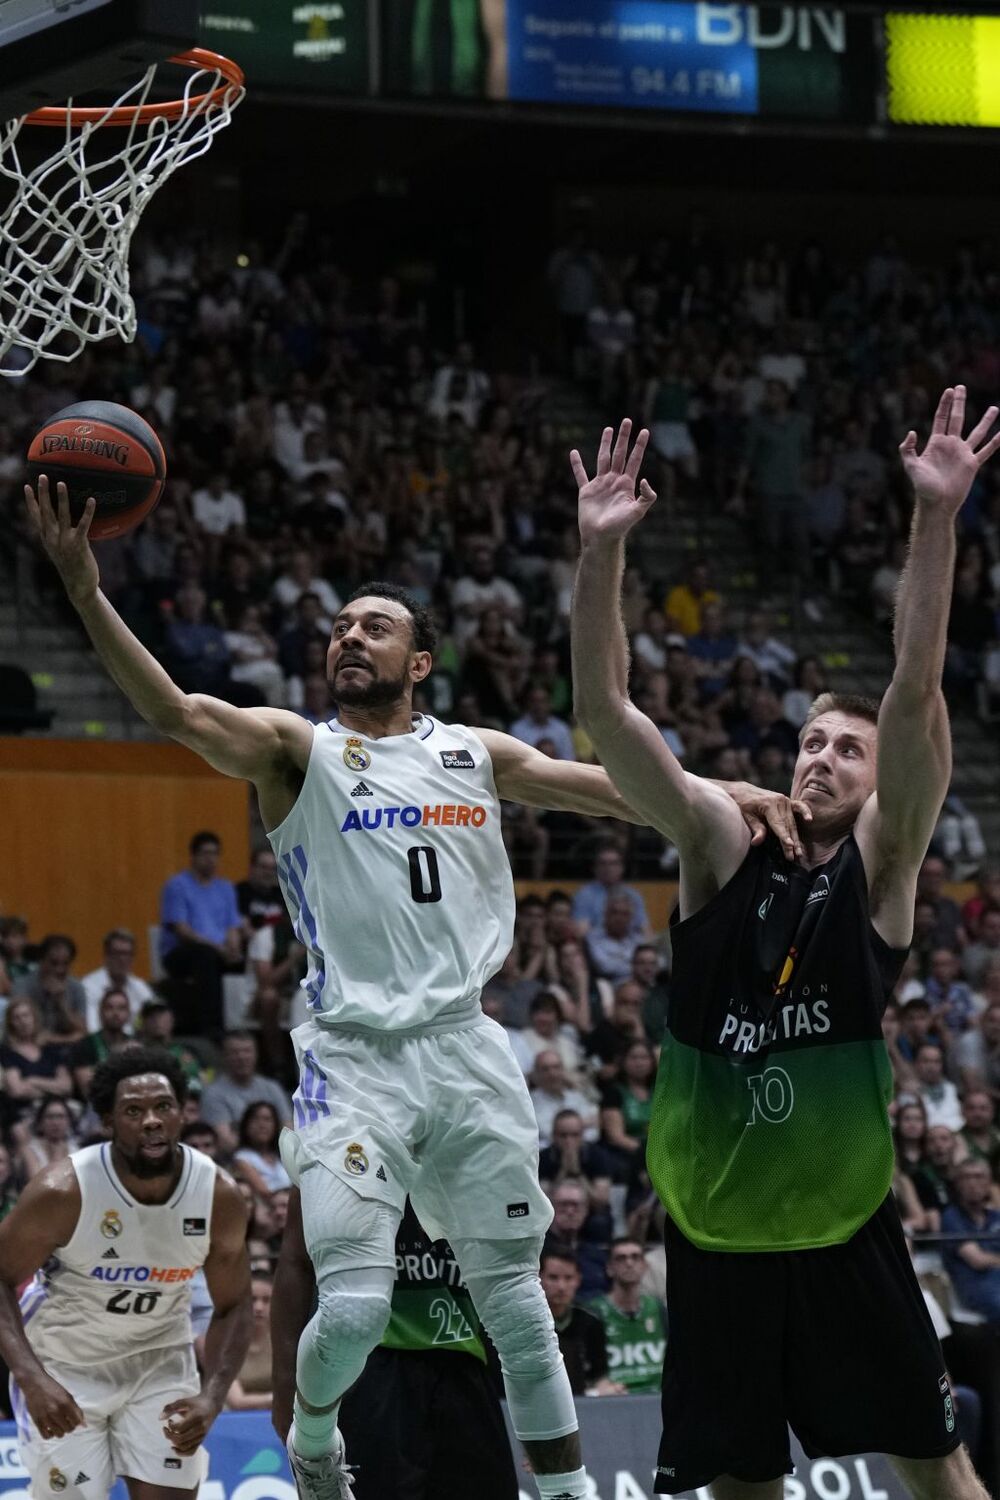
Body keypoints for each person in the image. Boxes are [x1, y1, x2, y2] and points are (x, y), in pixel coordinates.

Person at [25, 484, 799, 1500]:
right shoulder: (296, 751)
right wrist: (84, 588)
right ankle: (310, 1446)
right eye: (339, 627)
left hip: (467, 1049)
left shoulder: (472, 752)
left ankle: (564, 1495)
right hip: (354, 1060)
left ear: (419, 662)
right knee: (350, 1309)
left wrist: (726, 794)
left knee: (518, 1308)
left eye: (374, 627)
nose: (349, 638)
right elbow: (176, 710)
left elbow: (613, 790)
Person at [570, 395, 1000, 1498]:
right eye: (809, 740)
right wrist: (601, 554)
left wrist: (935, 520)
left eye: (845, 749)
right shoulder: (719, 846)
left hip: (845, 1224)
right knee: (740, 1482)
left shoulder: (881, 869)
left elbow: (913, 692)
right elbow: (608, 716)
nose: (821, 757)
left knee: (935, 1467)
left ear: (875, 779)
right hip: (713, 1231)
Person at [0, 1048, 252, 1500]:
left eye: (163, 1107)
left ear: (181, 1114)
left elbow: (234, 1303)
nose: (151, 1120)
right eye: (133, 1111)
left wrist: (214, 1394)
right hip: (65, 1365)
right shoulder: (63, 1190)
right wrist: (31, 1378)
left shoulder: (218, 1195)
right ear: (108, 1123)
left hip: (160, 1361)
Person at [273, 1191, 519, 1500]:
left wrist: (536, 1413)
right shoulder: (326, 1144)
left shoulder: (486, 1148)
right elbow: (296, 1260)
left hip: (464, 1359)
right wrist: (284, 1386)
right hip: (370, 1364)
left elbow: (514, 1275)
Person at [159, 831, 244, 1035]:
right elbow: (181, 930)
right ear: (193, 856)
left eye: (215, 853)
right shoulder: (177, 885)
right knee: (205, 957)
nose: (211, 859)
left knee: (244, 959)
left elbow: (232, 926)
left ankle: (239, 1027)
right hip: (181, 953)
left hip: (217, 951)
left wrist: (233, 947)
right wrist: (218, 949)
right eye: (205, 853)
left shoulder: (225, 888)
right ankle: (211, 1027)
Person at [588, 1237, 668, 1394]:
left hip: (658, 1398)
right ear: (609, 1268)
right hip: (614, 1399)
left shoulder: (659, 1309)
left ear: (645, 1266)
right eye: (621, 1258)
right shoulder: (594, 1312)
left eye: (635, 1257)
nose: (629, 1263)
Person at [538, 1245, 621, 1396]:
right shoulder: (529, 1324)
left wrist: (607, 1389)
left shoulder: (591, 1322)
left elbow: (599, 1376)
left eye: (568, 1278)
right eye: (553, 1278)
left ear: (578, 1280)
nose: (561, 1286)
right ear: (539, 1279)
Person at [198, 1032, 293, 1156]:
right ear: (224, 1056)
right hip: (235, 1163)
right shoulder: (213, 1094)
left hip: (276, 1159)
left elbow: (289, 1131)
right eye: (235, 1052)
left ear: (256, 1054)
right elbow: (225, 1142)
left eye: (247, 1051)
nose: (242, 1057)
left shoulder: (272, 1088)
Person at [940, 1160, 1000, 1323]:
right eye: (965, 1178)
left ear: (989, 1182)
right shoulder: (951, 1217)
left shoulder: (996, 1217)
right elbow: (977, 1260)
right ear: (957, 1184)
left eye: (978, 1177)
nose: (972, 1183)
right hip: (978, 1288)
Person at [12, 934, 87, 1042]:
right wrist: (70, 1038)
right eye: (54, 963)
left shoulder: (76, 987)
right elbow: (21, 1029)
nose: (59, 970)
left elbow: (83, 1030)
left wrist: (62, 1003)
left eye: (65, 964)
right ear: (41, 961)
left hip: (67, 1051)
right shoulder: (23, 985)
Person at [80, 929, 154, 1034]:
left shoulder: (140, 986)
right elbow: (93, 1028)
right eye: (117, 953)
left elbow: (153, 1020)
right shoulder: (89, 986)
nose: (122, 959)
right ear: (106, 956)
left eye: (127, 954)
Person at [70, 986, 133, 1099]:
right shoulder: (84, 1045)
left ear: (128, 1014)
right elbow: (88, 1090)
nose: (115, 1013)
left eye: (121, 1008)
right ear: (100, 1012)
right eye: (109, 1008)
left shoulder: (136, 1045)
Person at [226, 1272, 274, 1411]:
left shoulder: (288, 1342)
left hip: (281, 1419)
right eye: (252, 1299)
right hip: (234, 1421)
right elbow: (237, 1401)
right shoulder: (224, 1345)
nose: (259, 1307)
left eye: (266, 1300)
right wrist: (276, 1400)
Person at [232, 1101, 293, 1196]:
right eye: (255, 1119)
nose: (262, 1125)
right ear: (246, 1125)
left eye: (267, 1119)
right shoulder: (242, 1157)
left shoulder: (283, 1155)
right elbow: (264, 1192)